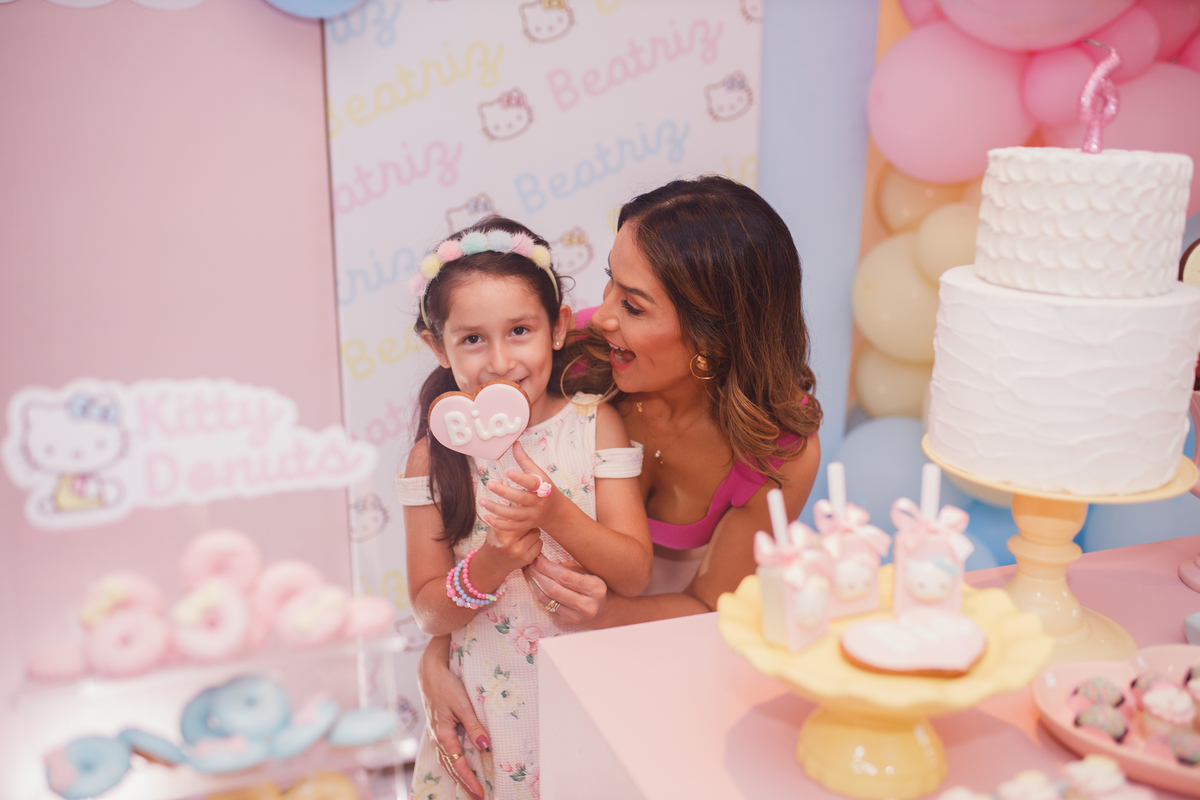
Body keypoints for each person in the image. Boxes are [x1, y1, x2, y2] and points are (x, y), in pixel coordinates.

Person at [415, 176, 823, 800]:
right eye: (610, 279)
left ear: (712, 336)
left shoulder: (775, 449)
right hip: (515, 682)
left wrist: (597, 616)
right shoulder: (571, 357)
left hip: (659, 668)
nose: (601, 315)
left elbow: (714, 608)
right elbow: (465, 502)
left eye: (634, 306)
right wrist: (439, 657)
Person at [398, 218, 653, 800]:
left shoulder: (595, 428)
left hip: (585, 701)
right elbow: (428, 614)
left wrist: (553, 512)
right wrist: (489, 564)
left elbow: (635, 574)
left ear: (558, 327)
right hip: (487, 714)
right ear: (437, 346)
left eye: (519, 330)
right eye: (471, 339)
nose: (499, 361)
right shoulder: (431, 460)